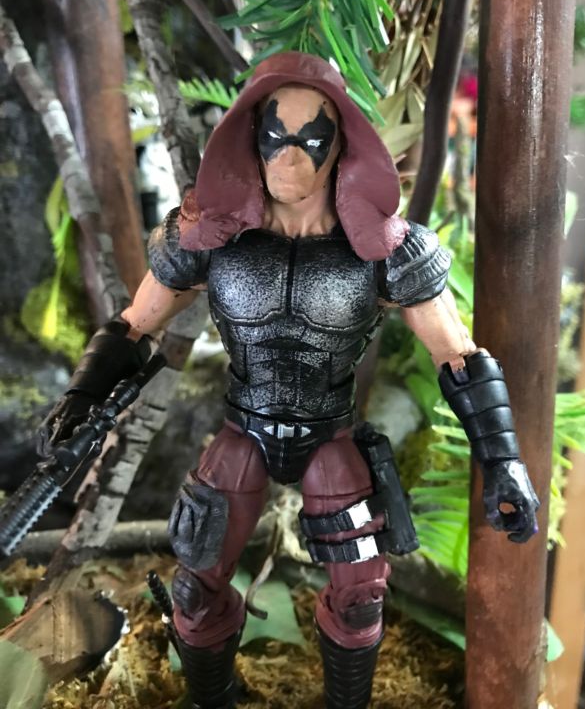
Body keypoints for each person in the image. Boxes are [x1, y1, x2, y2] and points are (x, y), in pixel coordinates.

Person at [42, 52, 539, 709]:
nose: (289, 156)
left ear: (343, 145)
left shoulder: (386, 249)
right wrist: (81, 397)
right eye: (275, 135)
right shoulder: (209, 236)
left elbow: (458, 356)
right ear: (250, 135)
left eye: (311, 139)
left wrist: (503, 462)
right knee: (194, 590)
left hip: (331, 439)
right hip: (242, 432)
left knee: (360, 599)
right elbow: (136, 326)